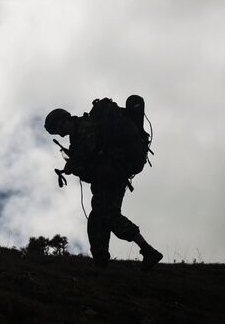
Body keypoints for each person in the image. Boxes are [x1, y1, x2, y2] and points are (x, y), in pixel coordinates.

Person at [44, 96, 163, 271]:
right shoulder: (77, 136)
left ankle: (148, 251)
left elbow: (90, 150)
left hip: (113, 174)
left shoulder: (85, 126)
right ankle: (101, 262)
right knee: (96, 220)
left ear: (65, 118)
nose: (60, 133)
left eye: (59, 127)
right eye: (57, 132)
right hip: (107, 177)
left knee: (110, 215)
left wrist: (74, 163)